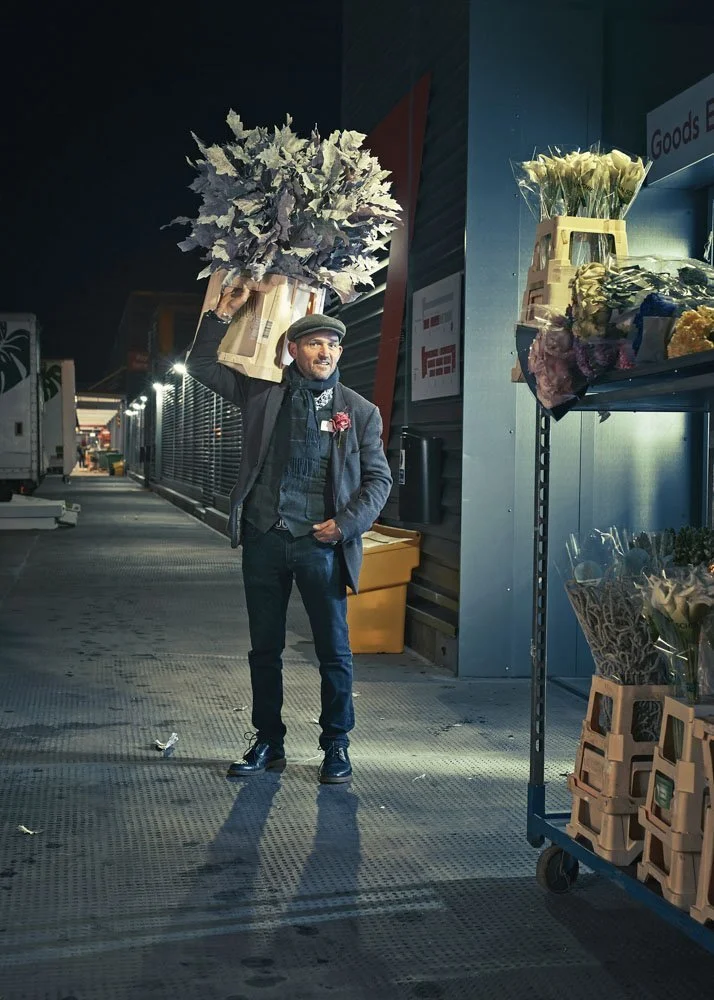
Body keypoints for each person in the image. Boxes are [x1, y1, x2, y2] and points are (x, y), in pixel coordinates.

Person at [188, 282, 393, 783]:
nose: (325, 351)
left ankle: (336, 746)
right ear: (293, 350)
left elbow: (378, 480)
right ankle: (268, 742)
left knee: (334, 651)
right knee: (264, 648)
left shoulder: (359, 411)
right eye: (314, 343)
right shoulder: (263, 393)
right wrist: (222, 312)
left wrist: (344, 524)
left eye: (332, 344)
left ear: (339, 352)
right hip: (264, 537)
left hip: (319, 544)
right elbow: (201, 366)